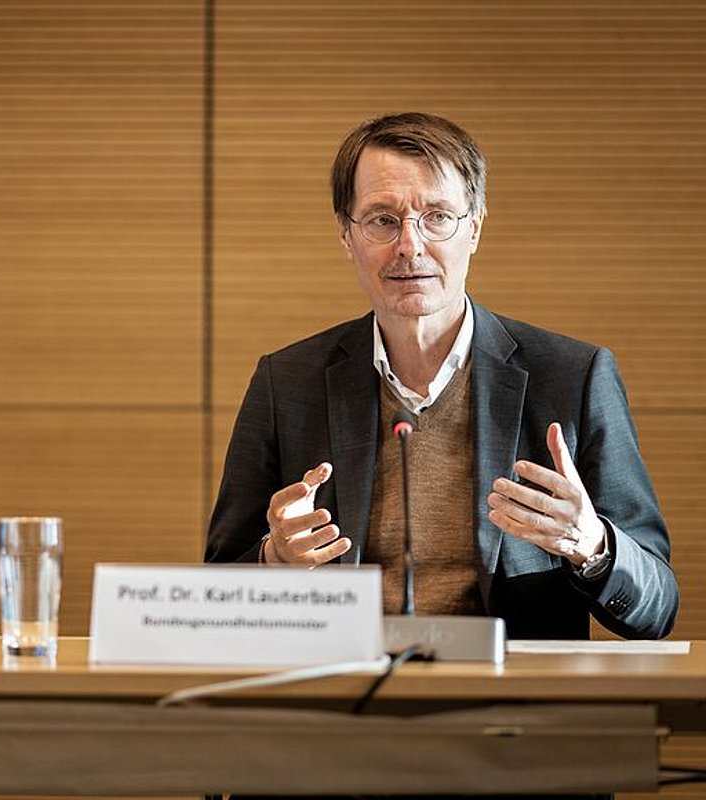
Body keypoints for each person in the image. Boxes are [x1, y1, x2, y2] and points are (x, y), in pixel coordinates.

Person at [206, 112, 677, 642]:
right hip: (338, 693)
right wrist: (275, 562)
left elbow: (656, 609)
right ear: (346, 235)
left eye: (437, 218)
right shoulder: (287, 381)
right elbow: (220, 584)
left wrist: (592, 547)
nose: (410, 246)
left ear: (473, 228)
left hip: (511, 704)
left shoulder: (572, 376)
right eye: (382, 220)